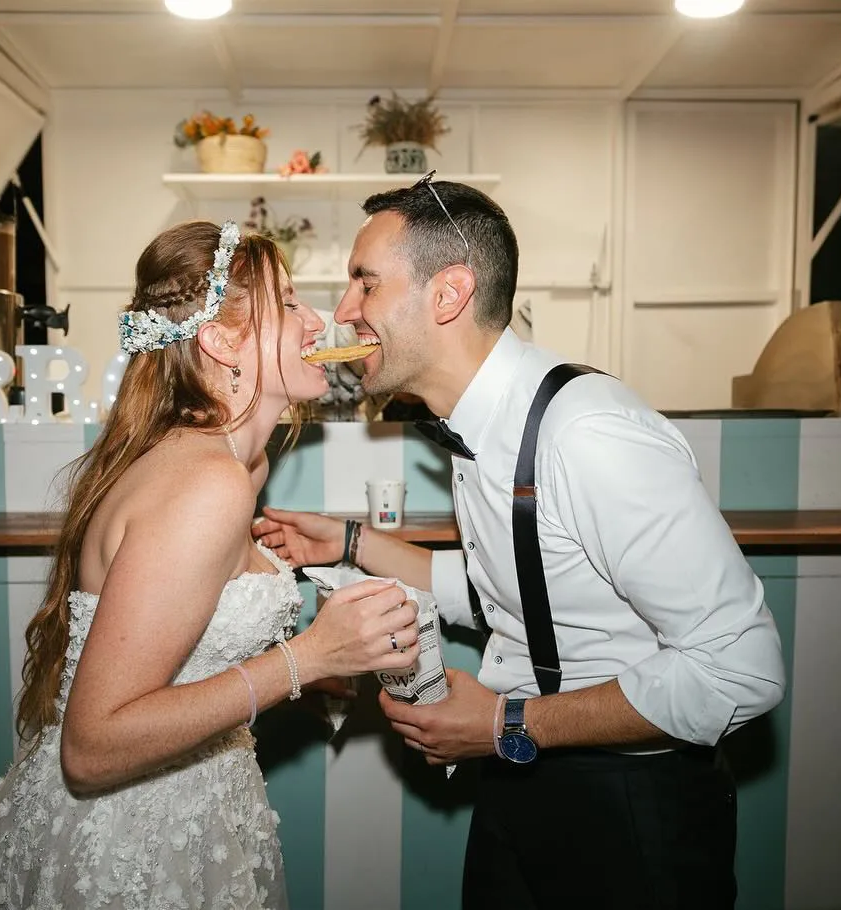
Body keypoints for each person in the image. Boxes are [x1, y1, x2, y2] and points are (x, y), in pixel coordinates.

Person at [252, 175, 787, 909]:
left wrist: (504, 721)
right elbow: (513, 589)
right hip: (521, 772)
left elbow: (742, 670)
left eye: (363, 285)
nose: (341, 313)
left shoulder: (586, 435)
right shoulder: (484, 423)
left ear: (447, 294)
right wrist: (347, 543)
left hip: (631, 804)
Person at [0, 220, 421, 909]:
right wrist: (306, 659)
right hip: (133, 842)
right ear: (222, 339)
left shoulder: (232, 466)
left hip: (187, 815)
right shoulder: (209, 483)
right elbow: (93, 746)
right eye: (287, 303)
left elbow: (172, 652)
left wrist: (301, 679)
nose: (315, 319)